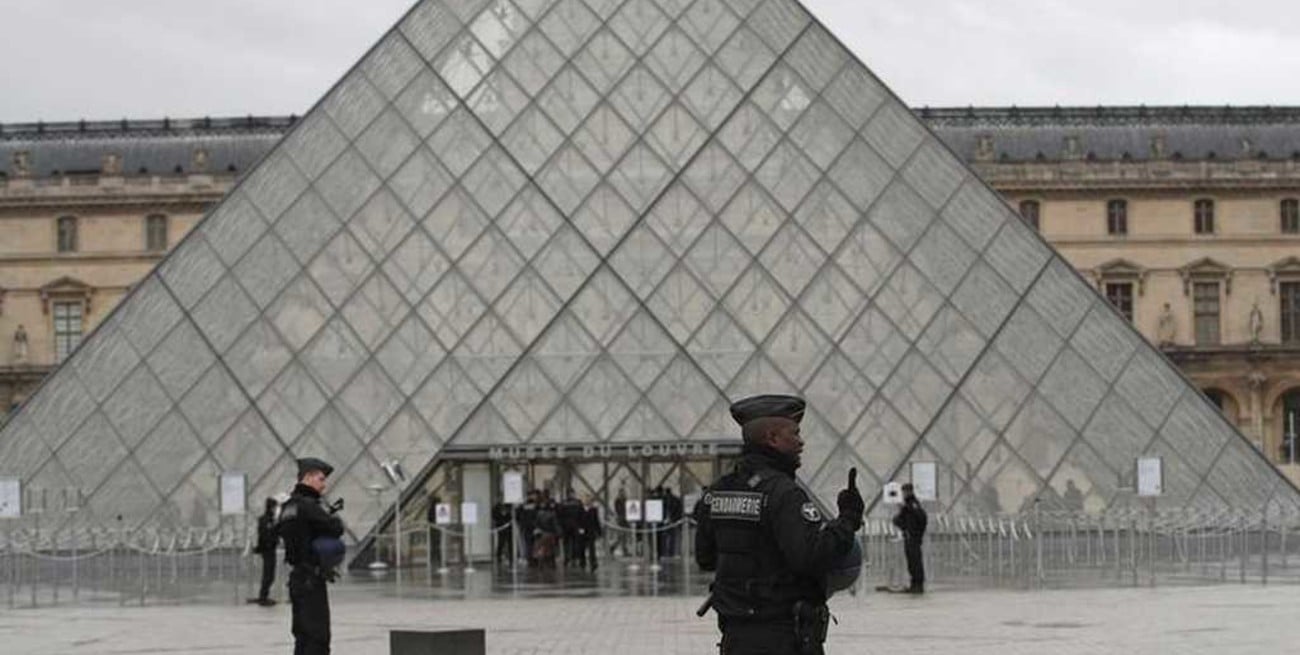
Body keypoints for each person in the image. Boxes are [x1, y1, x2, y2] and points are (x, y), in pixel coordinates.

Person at [696, 395, 864, 655]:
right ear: (772, 438)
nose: (801, 441)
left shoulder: (717, 492)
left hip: (735, 637)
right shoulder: (783, 493)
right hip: (782, 635)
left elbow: (705, 558)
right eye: (794, 433)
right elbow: (810, 557)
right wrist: (848, 520)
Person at [278, 457, 345, 655]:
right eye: (321, 479)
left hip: (297, 578)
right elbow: (335, 527)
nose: (324, 485)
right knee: (318, 637)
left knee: (302, 636)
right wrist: (331, 516)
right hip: (311, 579)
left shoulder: (287, 507)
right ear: (307, 477)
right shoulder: (308, 505)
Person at [892, 483, 928, 594]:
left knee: (916, 561)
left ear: (910, 492)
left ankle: (918, 585)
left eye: (905, 492)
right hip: (909, 537)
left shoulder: (912, 504)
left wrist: (917, 533)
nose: (904, 494)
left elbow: (922, 518)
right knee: (911, 562)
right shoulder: (907, 506)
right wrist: (904, 527)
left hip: (913, 538)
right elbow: (898, 520)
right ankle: (914, 584)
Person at [249, 497, 280, 606]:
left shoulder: (270, 519)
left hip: (269, 549)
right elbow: (264, 535)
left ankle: (264, 595)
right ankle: (263, 597)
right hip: (268, 549)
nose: (276, 509)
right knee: (268, 574)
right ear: (271, 507)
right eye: (275, 507)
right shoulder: (265, 520)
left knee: (269, 574)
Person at [579, 494, 602, 571]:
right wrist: (579, 528)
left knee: (592, 548)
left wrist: (599, 531)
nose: (587, 501)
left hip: (591, 530)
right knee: (582, 547)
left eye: (588, 499)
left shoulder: (593, 510)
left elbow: (596, 521)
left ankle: (593, 563)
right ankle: (582, 561)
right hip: (582, 531)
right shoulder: (580, 509)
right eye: (585, 499)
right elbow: (577, 520)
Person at [491, 500, 514, 565]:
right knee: (501, 542)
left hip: (509, 527)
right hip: (501, 527)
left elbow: (512, 516)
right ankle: (499, 556)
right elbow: (494, 516)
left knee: (510, 542)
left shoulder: (509, 505)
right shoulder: (497, 507)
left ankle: (511, 557)